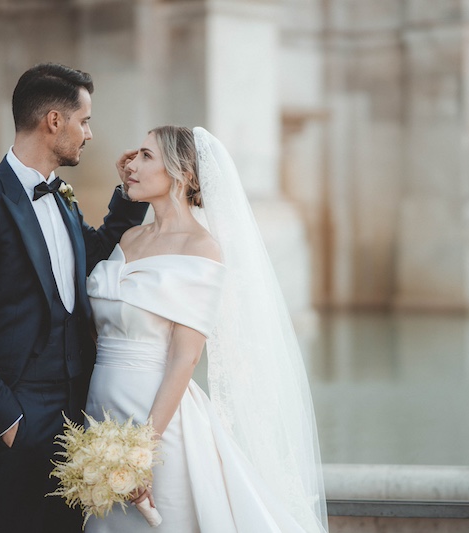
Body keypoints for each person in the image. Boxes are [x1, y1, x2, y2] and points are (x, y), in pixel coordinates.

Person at [0, 63, 148, 532]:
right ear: (54, 121)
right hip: (19, 415)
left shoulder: (63, 197)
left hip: (77, 414)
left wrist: (130, 198)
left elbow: (88, 256)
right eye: (84, 121)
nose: (89, 134)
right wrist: (8, 421)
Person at [84, 126, 328, 532]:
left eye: (146, 156)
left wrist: (143, 450)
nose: (130, 164)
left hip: (155, 420)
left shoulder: (202, 248)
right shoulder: (128, 237)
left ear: (183, 175)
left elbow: (186, 356)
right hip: (99, 412)